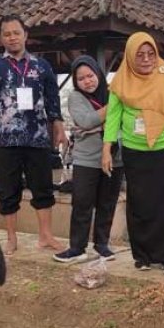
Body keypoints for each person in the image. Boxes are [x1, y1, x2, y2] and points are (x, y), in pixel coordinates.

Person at [0, 13, 66, 255]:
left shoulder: (42, 66)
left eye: (16, 32)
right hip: (4, 139)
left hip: (37, 139)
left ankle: (45, 236)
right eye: (7, 34)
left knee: (43, 187)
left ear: (26, 35)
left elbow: (53, 103)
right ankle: (11, 238)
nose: (12, 37)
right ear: (1, 38)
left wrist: (59, 127)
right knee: (8, 189)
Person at [102, 32, 164, 274]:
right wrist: (106, 149)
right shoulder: (121, 80)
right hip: (134, 149)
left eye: (150, 53)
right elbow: (113, 117)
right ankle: (142, 255)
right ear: (130, 56)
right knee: (140, 203)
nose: (146, 59)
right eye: (139, 54)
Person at [54, 56, 124, 264]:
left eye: (90, 76)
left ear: (98, 75)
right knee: (82, 203)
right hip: (86, 160)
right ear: (76, 82)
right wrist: (113, 108)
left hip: (115, 158)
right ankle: (77, 248)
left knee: (107, 203)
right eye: (81, 78)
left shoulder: (111, 92)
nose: (87, 81)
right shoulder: (76, 97)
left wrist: (96, 124)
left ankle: (101, 244)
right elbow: (86, 120)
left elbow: (122, 121)